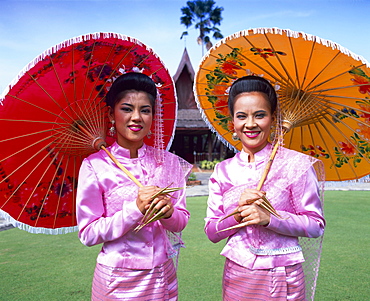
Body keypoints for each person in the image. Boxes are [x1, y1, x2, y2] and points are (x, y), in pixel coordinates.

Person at [204, 75, 326, 300]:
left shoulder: (295, 164)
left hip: (282, 275)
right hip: (236, 274)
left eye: (259, 115)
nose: (250, 124)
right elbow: (212, 231)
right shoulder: (223, 170)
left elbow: (316, 225)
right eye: (242, 116)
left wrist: (270, 218)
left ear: (273, 118)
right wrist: (238, 214)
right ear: (233, 121)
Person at [76, 72, 192, 300]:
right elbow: (88, 233)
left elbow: (181, 222)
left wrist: (168, 213)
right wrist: (135, 209)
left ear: (153, 115)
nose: (136, 117)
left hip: (163, 275)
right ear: (111, 114)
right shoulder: (95, 166)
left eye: (145, 110)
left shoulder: (168, 162)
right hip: (117, 281)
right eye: (127, 109)